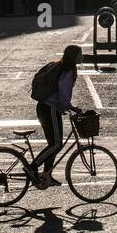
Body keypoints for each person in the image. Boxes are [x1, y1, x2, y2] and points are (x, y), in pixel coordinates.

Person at [35, 44, 82, 187]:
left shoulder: (63, 67)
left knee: (53, 144)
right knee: (56, 144)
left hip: (46, 108)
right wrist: (71, 107)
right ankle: (33, 166)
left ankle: (46, 175)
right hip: (49, 109)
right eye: (80, 54)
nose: (82, 57)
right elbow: (63, 93)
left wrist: (67, 107)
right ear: (74, 57)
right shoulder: (67, 71)